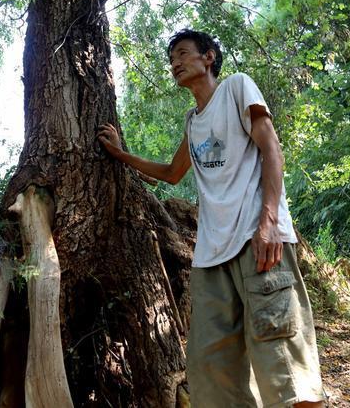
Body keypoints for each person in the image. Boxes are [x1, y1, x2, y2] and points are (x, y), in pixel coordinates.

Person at [98, 29, 324, 407]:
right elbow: (173, 172)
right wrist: (122, 156)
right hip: (210, 257)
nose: (175, 63)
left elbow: (272, 149)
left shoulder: (236, 88)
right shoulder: (193, 122)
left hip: (258, 241)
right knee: (211, 370)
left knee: (282, 363)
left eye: (183, 53)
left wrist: (268, 223)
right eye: (172, 59)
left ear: (209, 57)